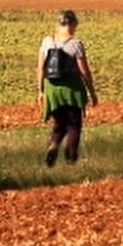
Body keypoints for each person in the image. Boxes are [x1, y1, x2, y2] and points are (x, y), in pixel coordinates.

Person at [36, 9, 99, 167]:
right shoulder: (75, 44)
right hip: (71, 89)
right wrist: (92, 92)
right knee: (73, 125)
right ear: (73, 24)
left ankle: (54, 145)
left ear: (59, 23)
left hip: (52, 88)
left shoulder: (47, 41)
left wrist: (41, 90)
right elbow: (84, 71)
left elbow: (40, 68)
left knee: (59, 123)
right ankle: (71, 160)